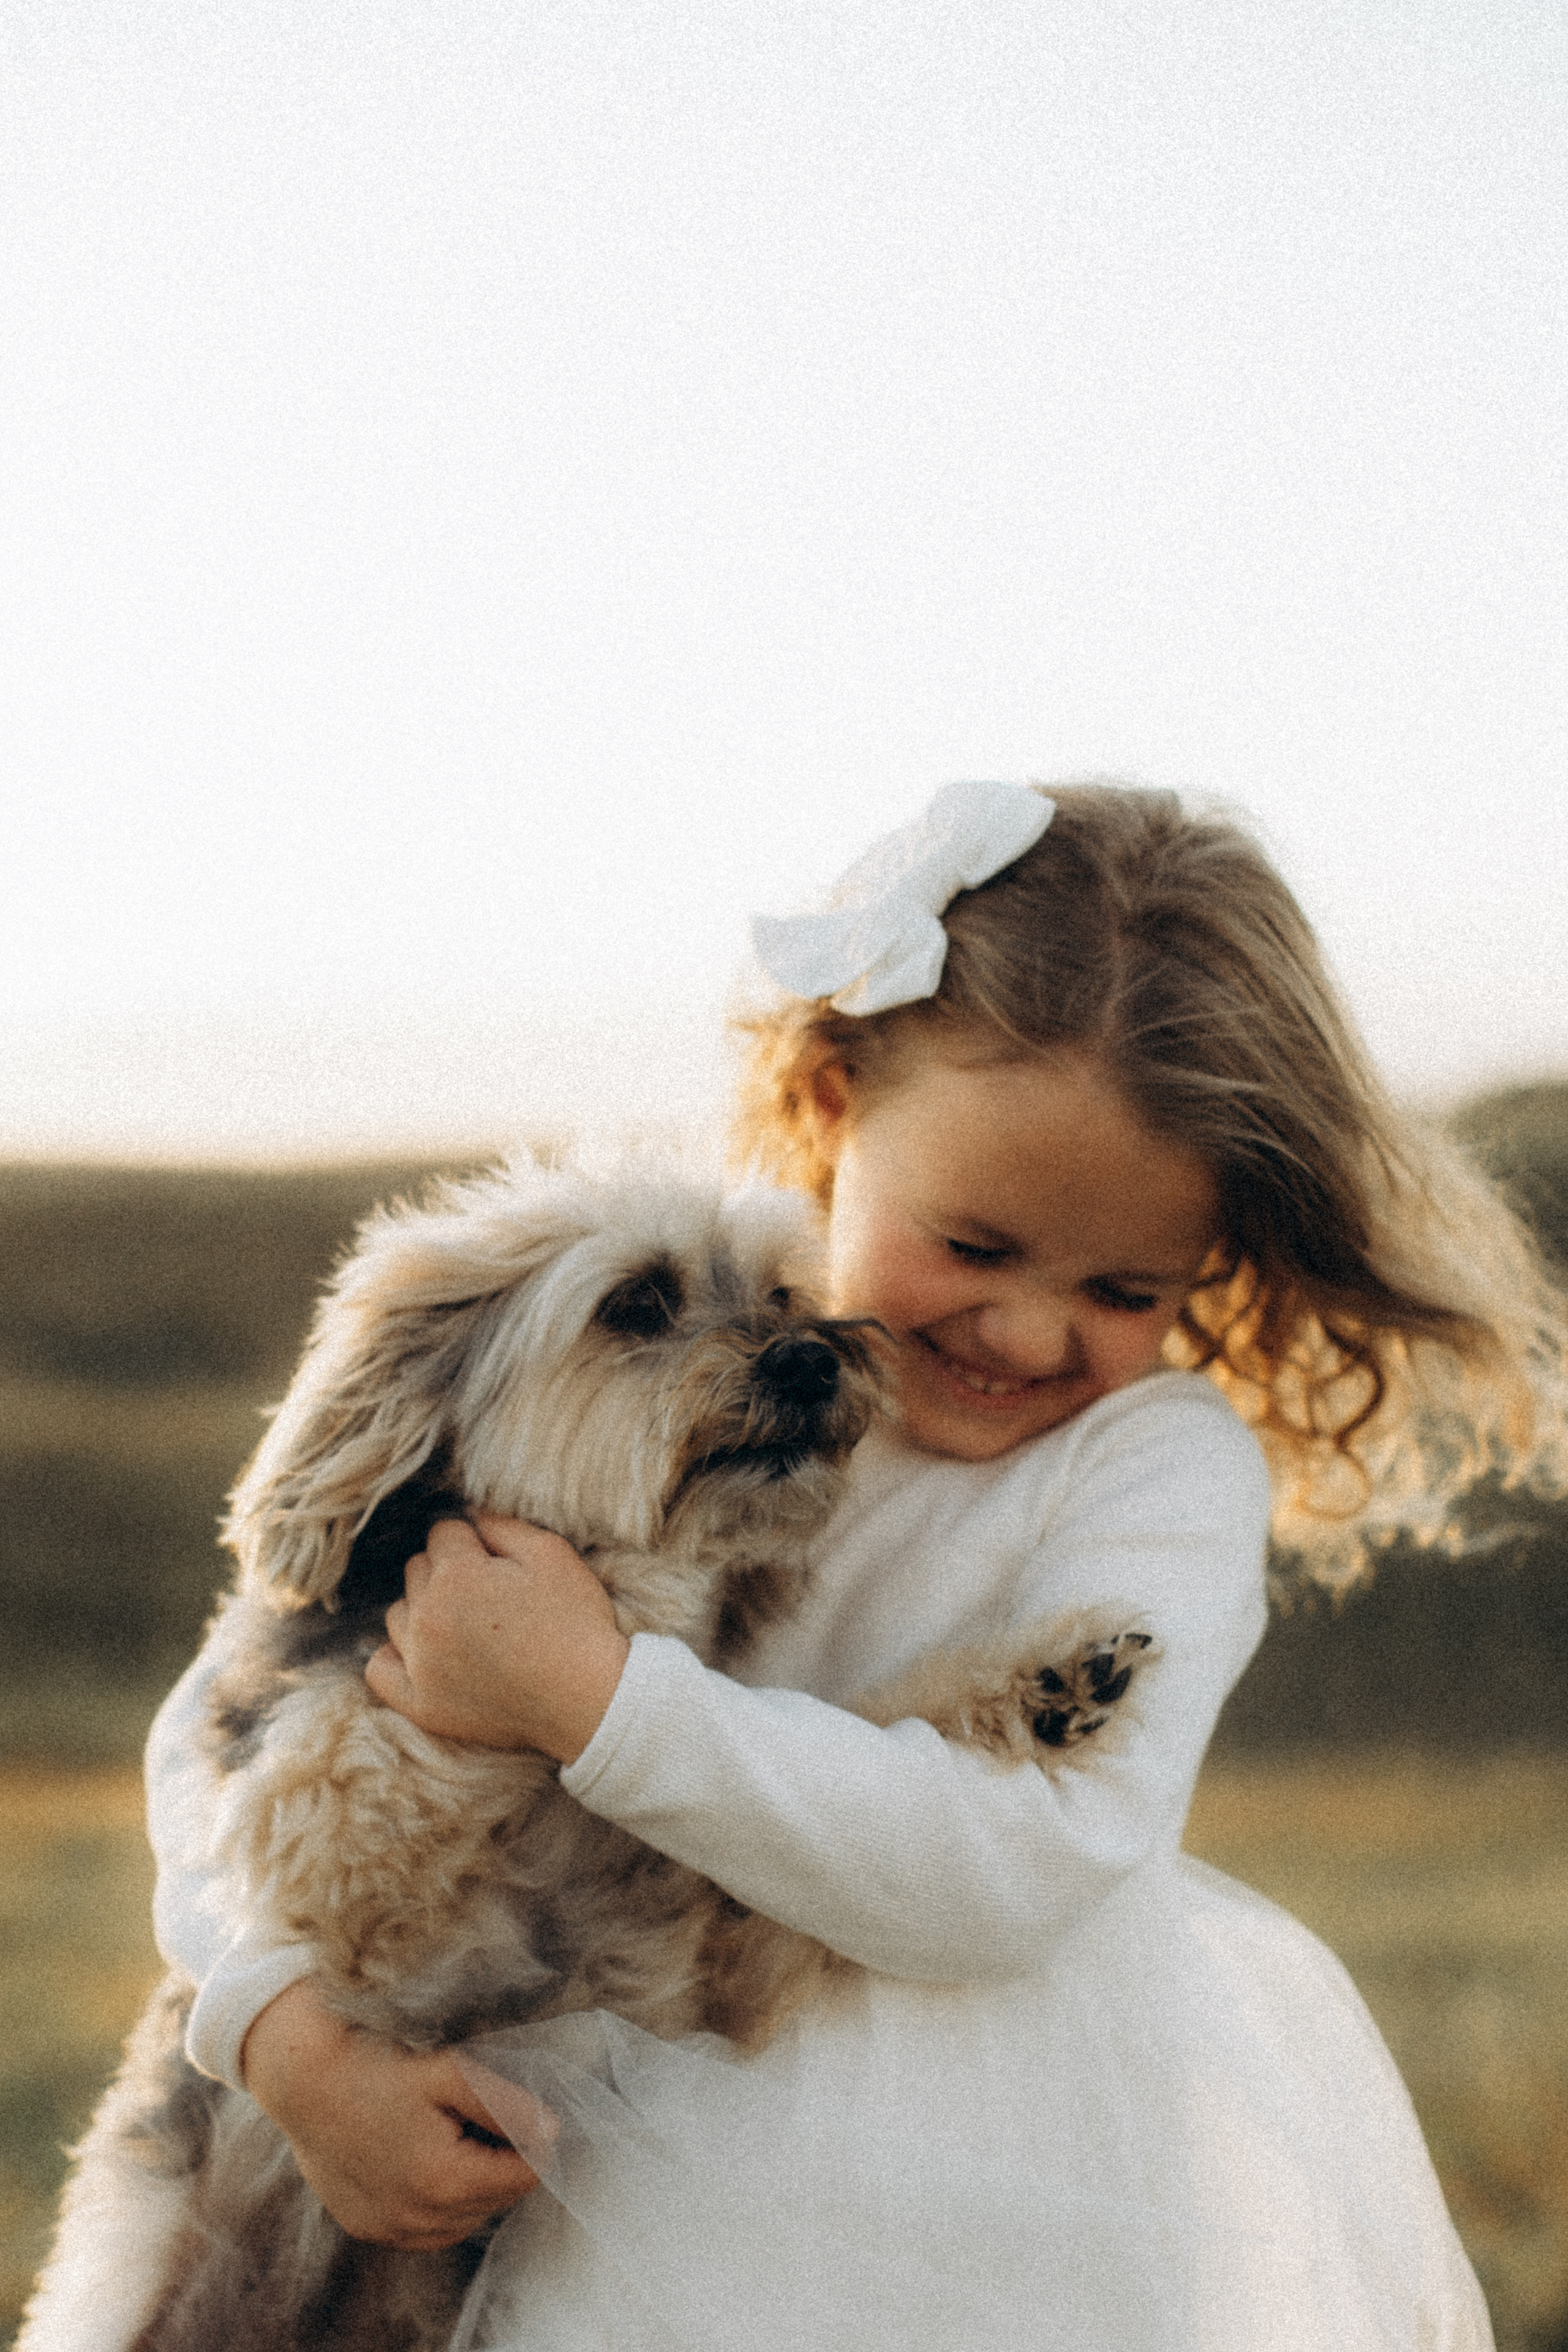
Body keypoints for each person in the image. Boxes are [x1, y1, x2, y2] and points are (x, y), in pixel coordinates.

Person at [147, 782, 1566, 2349]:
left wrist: (598, 1702)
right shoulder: (708, 1376)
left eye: (1121, 1286)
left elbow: (1016, 1868)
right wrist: (274, 2033)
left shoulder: (1154, 1467)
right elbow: (235, 1719)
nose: (1026, 1331)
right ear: (832, 1106)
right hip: (580, 2132)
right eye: (971, 1247)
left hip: (958, 2170)